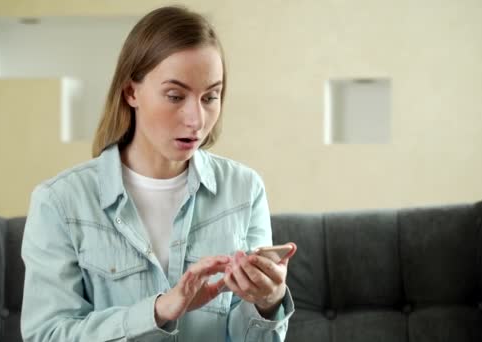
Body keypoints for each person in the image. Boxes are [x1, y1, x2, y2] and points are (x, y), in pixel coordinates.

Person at [21, 5, 296, 342]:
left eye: (211, 96)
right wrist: (160, 311)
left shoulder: (244, 189)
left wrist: (267, 304)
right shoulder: (59, 202)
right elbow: (46, 335)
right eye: (175, 95)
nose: (196, 119)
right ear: (131, 91)